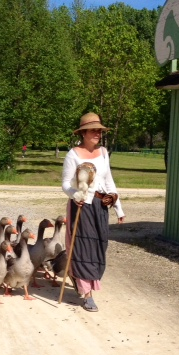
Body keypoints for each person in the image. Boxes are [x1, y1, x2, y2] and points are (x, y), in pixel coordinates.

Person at [62, 112, 125, 312]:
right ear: (83, 133)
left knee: (99, 246)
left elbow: (108, 181)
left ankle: (83, 281)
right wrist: (76, 196)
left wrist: (118, 206)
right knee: (82, 248)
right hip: (82, 206)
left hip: (100, 207)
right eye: (93, 130)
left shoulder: (104, 153)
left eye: (99, 130)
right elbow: (65, 184)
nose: (97, 134)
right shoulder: (73, 155)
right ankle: (87, 294)